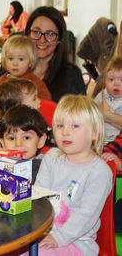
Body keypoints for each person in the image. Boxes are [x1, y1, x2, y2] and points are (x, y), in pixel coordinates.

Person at [33, 95, 112, 255]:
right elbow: (39, 197)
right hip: (42, 234)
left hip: (77, 242)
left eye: (75, 126)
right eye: (60, 125)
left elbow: (86, 215)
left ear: (94, 133)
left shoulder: (99, 171)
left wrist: (58, 238)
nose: (65, 132)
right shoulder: (51, 157)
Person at [0, 6, 86, 129]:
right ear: (27, 33)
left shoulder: (71, 75)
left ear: (59, 39)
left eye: (50, 34)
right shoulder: (9, 70)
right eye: (36, 32)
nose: (42, 40)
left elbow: (81, 121)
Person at [0, 105, 47, 183]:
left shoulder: (45, 170)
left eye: (26, 137)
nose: (18, 144)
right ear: (2, 142)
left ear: (41, 141)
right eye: (11, 138)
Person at [0, 35, 51, 101]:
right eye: (10, 58)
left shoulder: (34, 82)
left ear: (30, 62)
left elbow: (46, 101)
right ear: (4, 60)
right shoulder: (1, 80)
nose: (15, 63)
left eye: (21, 59)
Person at [93, 56, 122, 144]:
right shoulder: (102, 95)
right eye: (111, 79)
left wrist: (107, 115)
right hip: (101, 141)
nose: (116, 84)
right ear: (104, 81)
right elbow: (90, 111)